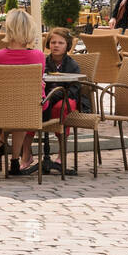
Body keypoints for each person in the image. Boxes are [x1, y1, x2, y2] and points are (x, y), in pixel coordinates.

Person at [0, 9, 45, 175]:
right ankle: (14, 160)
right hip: (31, 107)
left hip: (1, 108)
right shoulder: (37, 56)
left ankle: (1, 139)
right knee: (21, 107)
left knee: (13, 104)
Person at [43, 27, 84, 175]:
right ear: (48, 44)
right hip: (45, 98)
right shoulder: (43, 62)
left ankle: (61, 155)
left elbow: (75, 88)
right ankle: (26, 157)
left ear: (67, 45)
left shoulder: (72, 65)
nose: (56, 45)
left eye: (60, 42)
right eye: (53, 42)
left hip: (66, 99)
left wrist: (54, 97)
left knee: (61, 108)